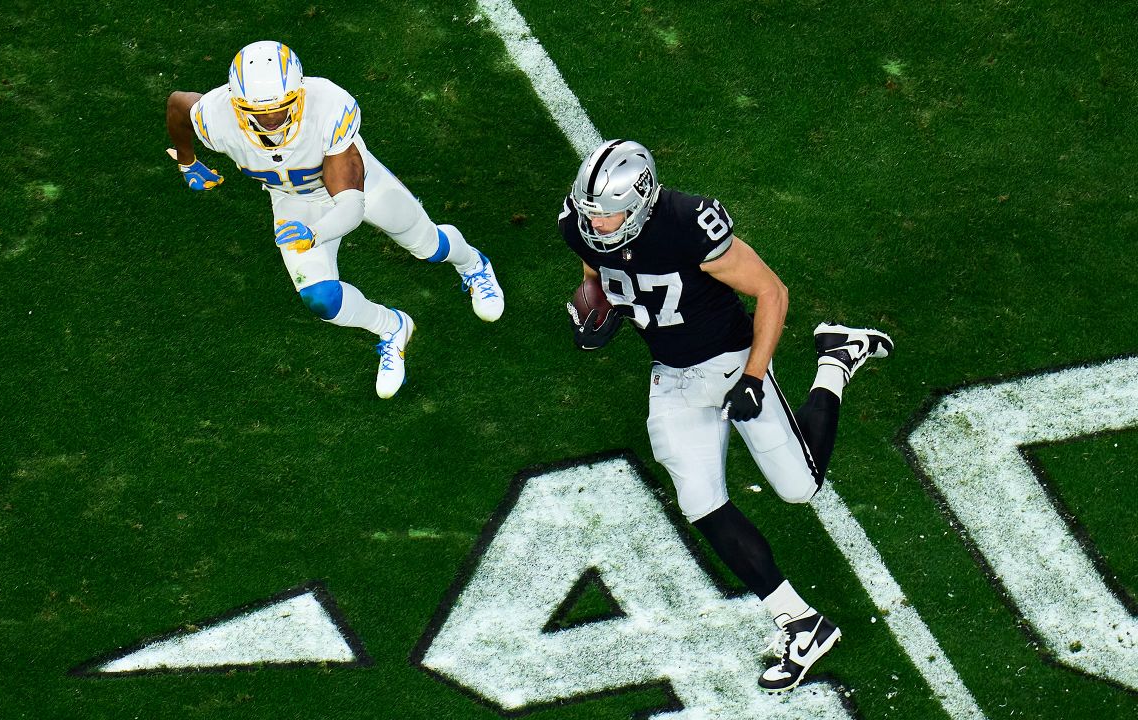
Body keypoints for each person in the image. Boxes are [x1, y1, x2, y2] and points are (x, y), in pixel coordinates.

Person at [560, 139, 893, 692]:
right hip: (671, 372)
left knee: (798, 487)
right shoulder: (581, 224)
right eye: (589, 212)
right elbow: (594, 268)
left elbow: (771, 291)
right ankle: (801, 621)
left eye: (608, 211)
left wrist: (755, 377)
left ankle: (835, 358)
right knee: (700, 500)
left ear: (642, 198)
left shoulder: (689, 222)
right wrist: (594, 298)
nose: (597, 223)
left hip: (731, 359)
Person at [165, 41, 504, 398]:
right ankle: (392, 327)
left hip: (357, 189)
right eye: (256, 111)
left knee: (429, 247)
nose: (269, 119)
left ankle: (473, 265)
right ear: (236, 102)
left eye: (280, 108)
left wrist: (316, 233)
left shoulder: (328, 107)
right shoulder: (216, 115)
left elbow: (350, 206)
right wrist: (187, 161)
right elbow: (177, 106)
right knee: (321, 299)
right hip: (293, 201)